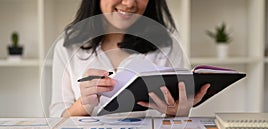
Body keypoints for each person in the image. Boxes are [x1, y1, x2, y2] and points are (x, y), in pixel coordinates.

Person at [50, 0, 210, 117]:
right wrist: (84, 104)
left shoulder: (168, 46)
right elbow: (57, 118)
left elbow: (175, 123)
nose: (129, 3)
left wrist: (177, 113)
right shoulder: (67, 47)